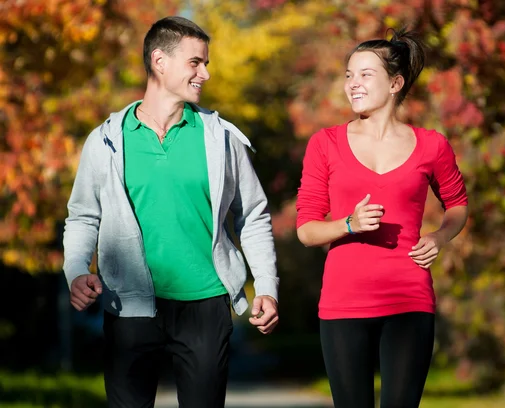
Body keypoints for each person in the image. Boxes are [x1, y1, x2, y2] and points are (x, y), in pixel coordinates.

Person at [63, 16, 279, 408]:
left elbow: (253, 215)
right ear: (160, 61)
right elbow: (83, 216)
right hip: (128, 304)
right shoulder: (107, 139)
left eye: (206, 63)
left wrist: (266, 285)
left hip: (206, 304)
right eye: (196, 63)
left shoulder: (222, 138)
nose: (206, 74)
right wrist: (76, 270)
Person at [296, 28, 468, 408]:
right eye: (348, 75)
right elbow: (307, 230)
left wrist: (438, 238)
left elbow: (458, 205)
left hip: (409, 298)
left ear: (395, 83)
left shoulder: (432, 145)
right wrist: (348, 224)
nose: (352, 84)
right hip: (344, 301)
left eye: (364, 75)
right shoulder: (324, 143)